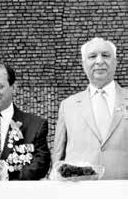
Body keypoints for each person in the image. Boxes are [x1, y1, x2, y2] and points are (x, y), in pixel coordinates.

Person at [53, 37, 128, 179]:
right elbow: (58, 156)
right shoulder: (67, 106)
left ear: (115, 62)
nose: (99, 61)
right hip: (80, 193)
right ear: (83, 64)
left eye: (105, 55)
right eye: (92, 56)